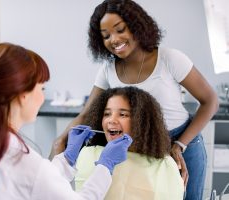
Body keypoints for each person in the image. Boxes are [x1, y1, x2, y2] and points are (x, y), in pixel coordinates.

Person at [49, 0, 219, 199]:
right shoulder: (107, 70)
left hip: (181, 142)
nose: (114, 39)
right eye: (106, 36)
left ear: (137, 26)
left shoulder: (169, 59)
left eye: (120, 29)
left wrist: (180, 144)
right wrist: (61, 141)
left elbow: (210, 101)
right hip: (141, 148)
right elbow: (86, 114)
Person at [0, 42, 132, 200]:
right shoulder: (20, 158)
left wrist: (67, 159)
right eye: (42, 88)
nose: (43, 95)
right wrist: (105, 165)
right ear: (23, 95)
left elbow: (34, 185)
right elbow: (36, 179)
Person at [75, 86, 184, 199]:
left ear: (141, 122)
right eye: (107, 114)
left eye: (123, 114)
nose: (111, 120)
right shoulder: (89, 154)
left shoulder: (165, 166)